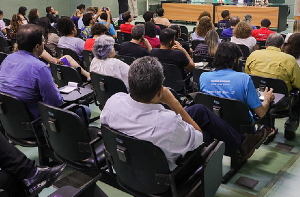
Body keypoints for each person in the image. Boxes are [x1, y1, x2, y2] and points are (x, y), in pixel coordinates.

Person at [100, 57, 269, 170]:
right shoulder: (169, 123)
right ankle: (240, 146)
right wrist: (174, 103)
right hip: (166, 173)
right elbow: (199, 137)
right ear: (160, 91)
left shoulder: (112, 102)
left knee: (199, 110)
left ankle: (242, 143)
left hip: (129, 161)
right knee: (209, 131)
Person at [0, 24, 90, 120]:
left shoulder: (7, 59)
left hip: (11, 118)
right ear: (37, 47)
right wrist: (53, 89)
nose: (44, 44)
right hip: (37, 121)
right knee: (84, 110)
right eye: (43, 41)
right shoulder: (40, 68)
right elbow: (55, 103)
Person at [245, 34, 300, 139]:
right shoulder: (289, 59)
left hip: (257, 98)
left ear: (266, 45)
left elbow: (248, 74)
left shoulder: (254, 55)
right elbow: (299, 84)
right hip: (283, 103)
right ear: (282, 46)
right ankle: (290, 129)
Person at [200, 42, 273, 124]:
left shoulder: (203, 77)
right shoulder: (244, 79)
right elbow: (261, 113)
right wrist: (267, 99)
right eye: (238, 60)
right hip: (241, 130)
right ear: (235, 59)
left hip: (214, 126)